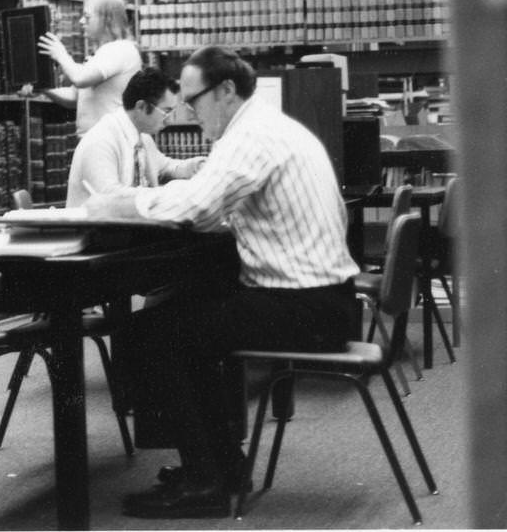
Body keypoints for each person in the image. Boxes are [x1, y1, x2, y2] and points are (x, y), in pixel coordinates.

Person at [84, 45, 360, 519]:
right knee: (180, 318)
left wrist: (118, 204)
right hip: (322, 300)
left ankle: (207, 481)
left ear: (227, 91)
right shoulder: (265, 126)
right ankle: (220, 467)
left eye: (194, 100)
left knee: (156, 333)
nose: (189, 112)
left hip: (308, 306)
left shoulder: (250, 136)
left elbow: (199, 207)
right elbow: (208, 196)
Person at [65, 67, 205, 207]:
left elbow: (165, 167)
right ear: (141, 106)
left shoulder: (142, 136)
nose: (169, 120)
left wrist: (193, 166)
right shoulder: (101, 141)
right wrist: (166, 193)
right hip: (94, 226)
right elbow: (109, 195)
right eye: (166, 112)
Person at [31, 0, 142, 136]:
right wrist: (40, 88)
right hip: (98, 140)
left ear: (106, 19)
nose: (81, 21)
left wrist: (60, 54)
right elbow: (74, 97)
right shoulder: (102, 53)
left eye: (87, 17)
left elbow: (80, 79)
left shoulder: (121, 49)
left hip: (111, 140)